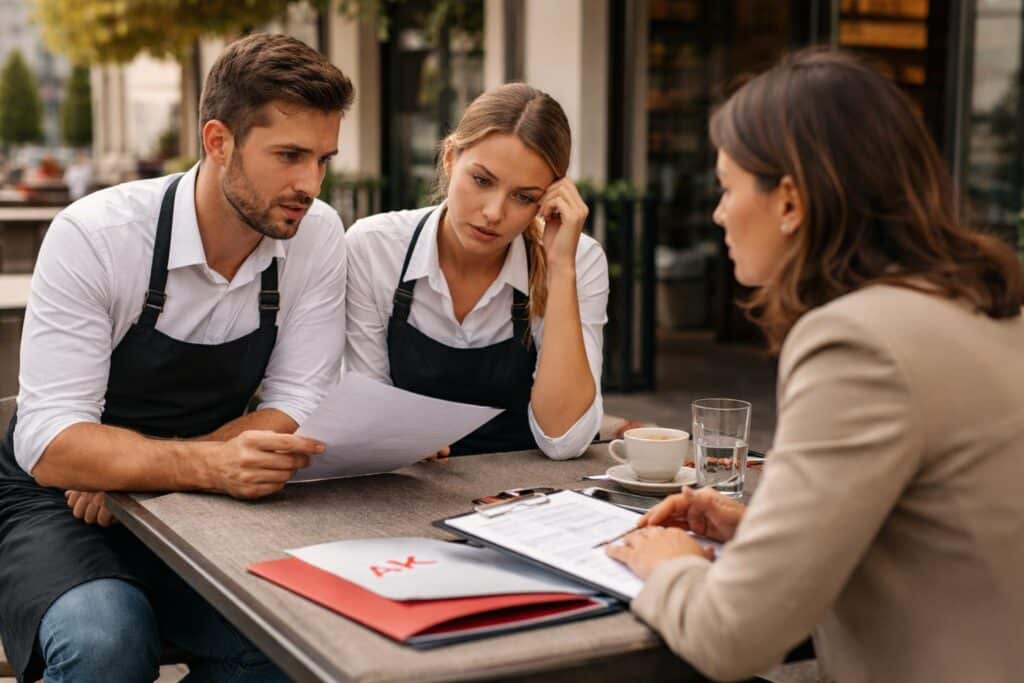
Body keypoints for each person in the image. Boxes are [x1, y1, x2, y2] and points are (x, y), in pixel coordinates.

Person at [607, 49, 1024, 683]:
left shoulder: (857, 340)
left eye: (727, 186)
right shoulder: (983, 305)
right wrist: (762, 537)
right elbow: (940, 540)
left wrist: (668, 563)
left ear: (791, 201)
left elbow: (731, 638)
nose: (718, 212)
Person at [0, 33, 354, 683]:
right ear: (218, 142)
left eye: (323, 159)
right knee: (107, 640)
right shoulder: (97, 237)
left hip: (198, 500)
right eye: (290, 155)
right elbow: (51, 441)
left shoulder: (317, 237)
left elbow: (295, 403)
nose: (311, 183)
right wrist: (204, 464)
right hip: (58, 505)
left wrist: (151, 476)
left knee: (296, 641)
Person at [344, 83, 608, 459]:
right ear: (450, 158)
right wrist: (399, 435)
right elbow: (366, 410)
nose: (494, 213)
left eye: (524, 197)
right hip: (402, 490)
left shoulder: (578, 259)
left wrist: (561, 268)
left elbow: (564, 439)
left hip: (527, 499)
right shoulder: (375, 248)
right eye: (482, 180)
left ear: (548, 200)